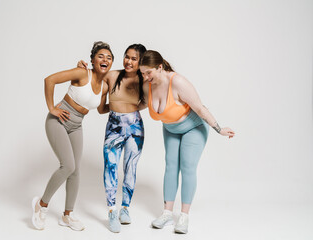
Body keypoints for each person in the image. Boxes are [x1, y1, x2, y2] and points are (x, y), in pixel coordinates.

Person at [139, 50, 235, 234]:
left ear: (160, 67)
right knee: (171, 166)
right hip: (170, 129)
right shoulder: (147, 85)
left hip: (194, 128)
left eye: (148, 72)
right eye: (143, 73)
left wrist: (219, 129)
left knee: (187, 166)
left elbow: (199, 108)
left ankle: (184, 216)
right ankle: (167, 213)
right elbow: (143, 103)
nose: (145, 76)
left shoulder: (178, 82)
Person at [31, 41, 114, 231]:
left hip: (77, 125)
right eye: (101, 56)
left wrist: (124, 106)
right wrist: (52, 108)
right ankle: (41, 205)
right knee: (67, 165)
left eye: (109, 58)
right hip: (58, 120)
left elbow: (101, 109)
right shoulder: (82, 73)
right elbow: (49, 80)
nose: (105, 60)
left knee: (75, 170)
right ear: (92, 60)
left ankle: (67, 215)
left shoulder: (105, 87)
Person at [77, 44, 146, 233]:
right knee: (111, 167)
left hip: (135, 128)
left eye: (134, 59)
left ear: (141, 62)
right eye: (126, 57)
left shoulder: (144, 80)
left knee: (130, 167)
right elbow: (100, 108)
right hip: (114, 127)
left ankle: (125, 208)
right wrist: (81, 68)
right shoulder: (112, 75)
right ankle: (111, 211)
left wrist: (130, 109)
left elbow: (146, 101)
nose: (128, 61)